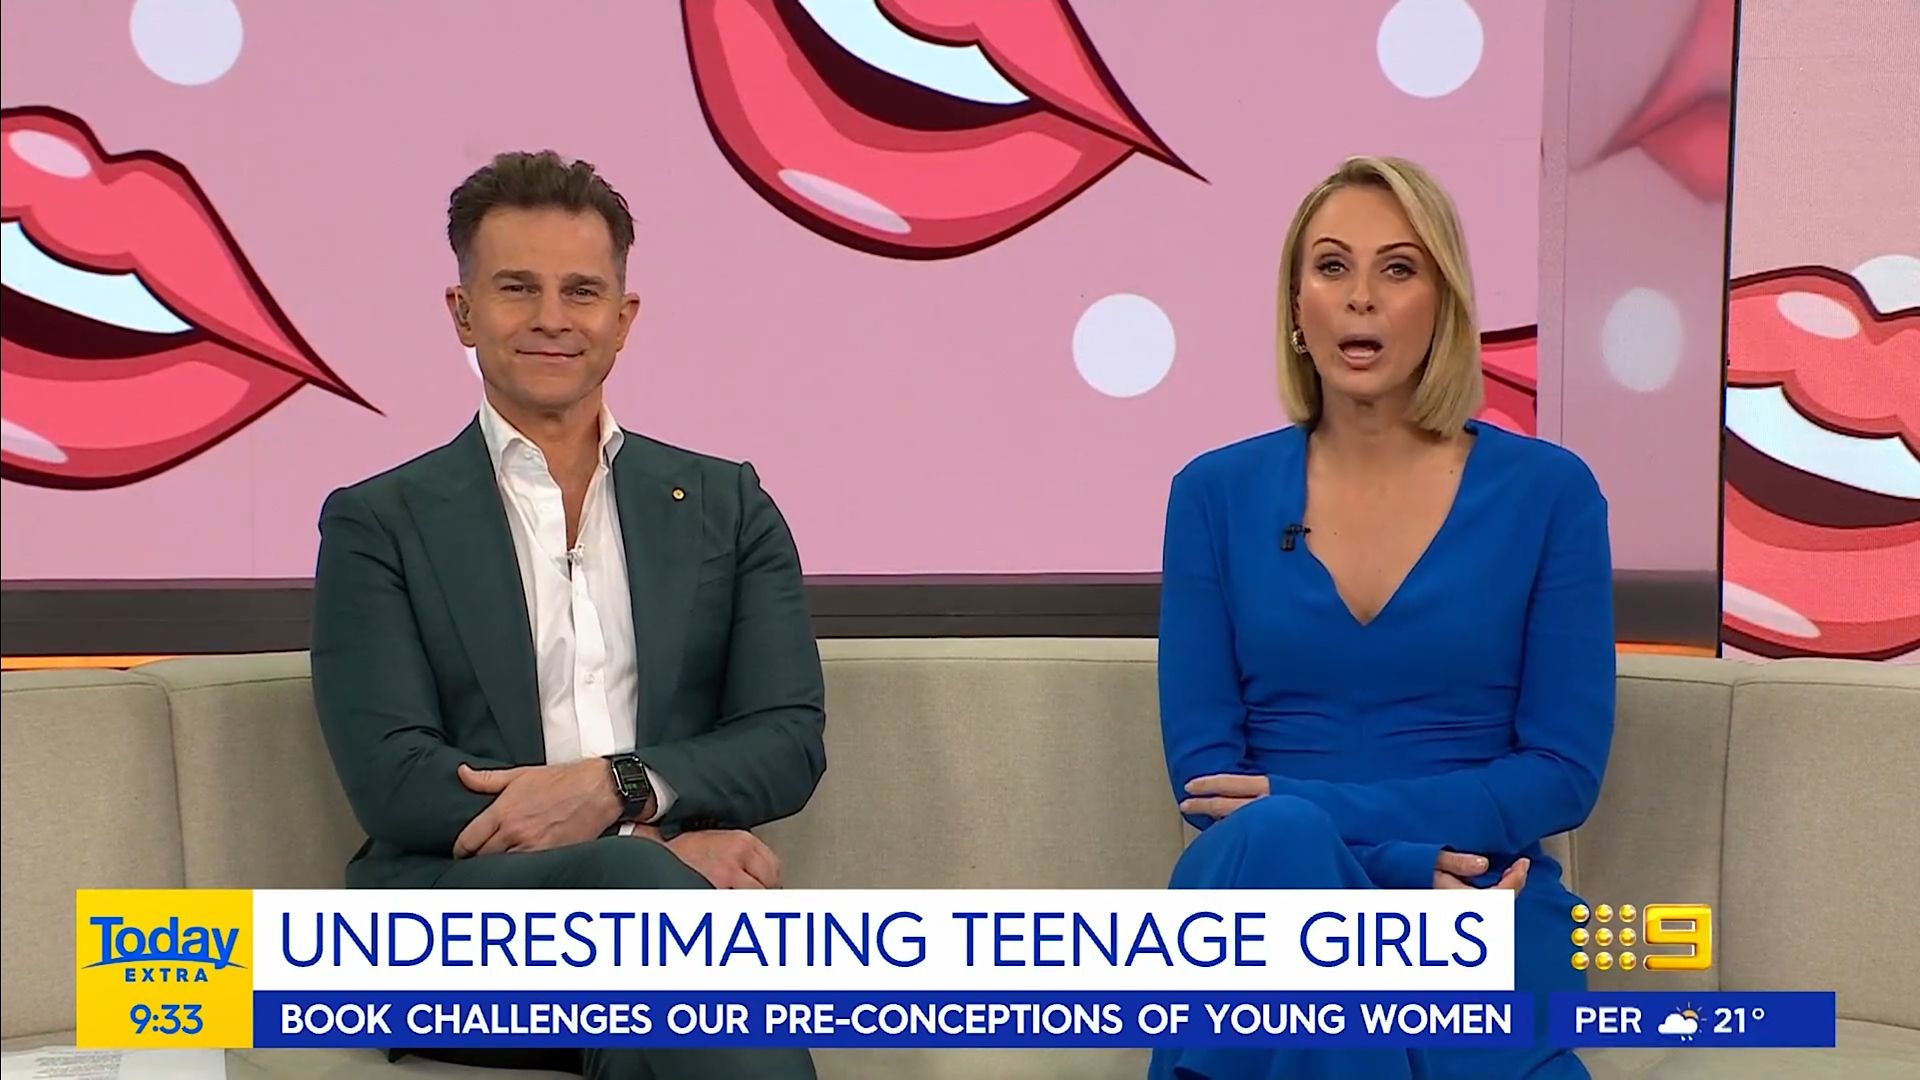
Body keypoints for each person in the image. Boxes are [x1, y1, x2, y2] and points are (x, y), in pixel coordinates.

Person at [309, 150, 825, 1080]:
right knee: (655, 911)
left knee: (657, 994)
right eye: (517, 288)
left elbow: (786, 740)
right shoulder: (378, 522)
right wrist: (645, 847)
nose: (552, 317)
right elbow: (393, 780)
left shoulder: (728, 505)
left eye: (582, 291)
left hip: (662, 927)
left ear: (623, 319)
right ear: (463, 312)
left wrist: (619, 785)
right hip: (448, 928)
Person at [1152, 156, 1614, 1080]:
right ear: (1297, 306)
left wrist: (1336, 819)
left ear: (1443, 304)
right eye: (1332, 267)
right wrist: (1396, 867)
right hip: (1266, 898)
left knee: (1291, 831)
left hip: (1476, 892)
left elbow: (1562, 773)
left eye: (1398, 269)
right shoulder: (1212, 494)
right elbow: (1209, 783)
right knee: (1279, 842)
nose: (1361, 296)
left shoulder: (1550, 493)